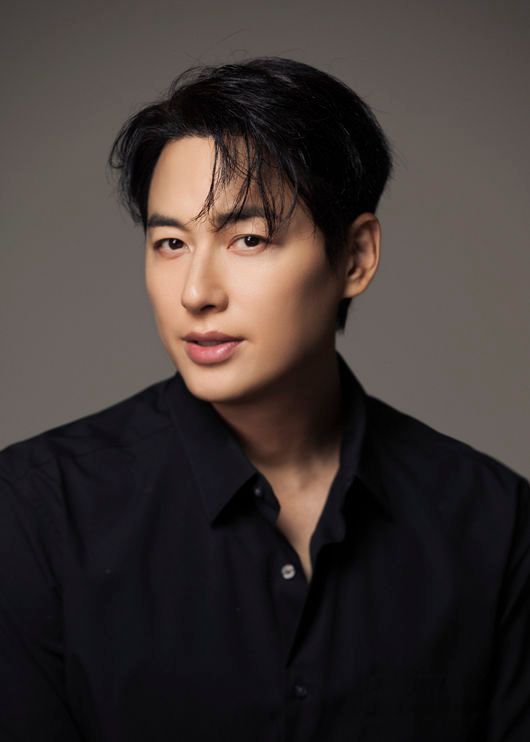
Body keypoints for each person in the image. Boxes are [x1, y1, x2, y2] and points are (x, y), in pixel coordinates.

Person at [0, 57, 528, 742]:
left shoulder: (494, 523)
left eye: (247, 239)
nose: (197, 292)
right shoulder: (36, 512)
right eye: (170, 243)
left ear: (356, 257)